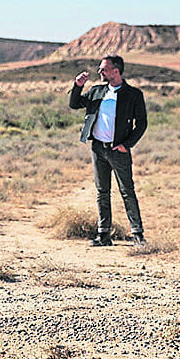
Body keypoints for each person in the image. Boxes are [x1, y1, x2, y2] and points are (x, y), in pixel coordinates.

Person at [69, 55, 148, 246]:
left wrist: (127, 145)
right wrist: (77, 85)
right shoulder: (97, 91)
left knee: (127, 191)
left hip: (118, 150)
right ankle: (103, 235)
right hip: (98, 148)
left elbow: (142, 124)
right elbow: (74, 104)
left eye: (104, 68)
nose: (100, 72)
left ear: (116, 70)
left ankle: (138, 235)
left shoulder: (133, 94)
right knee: (102, 192)